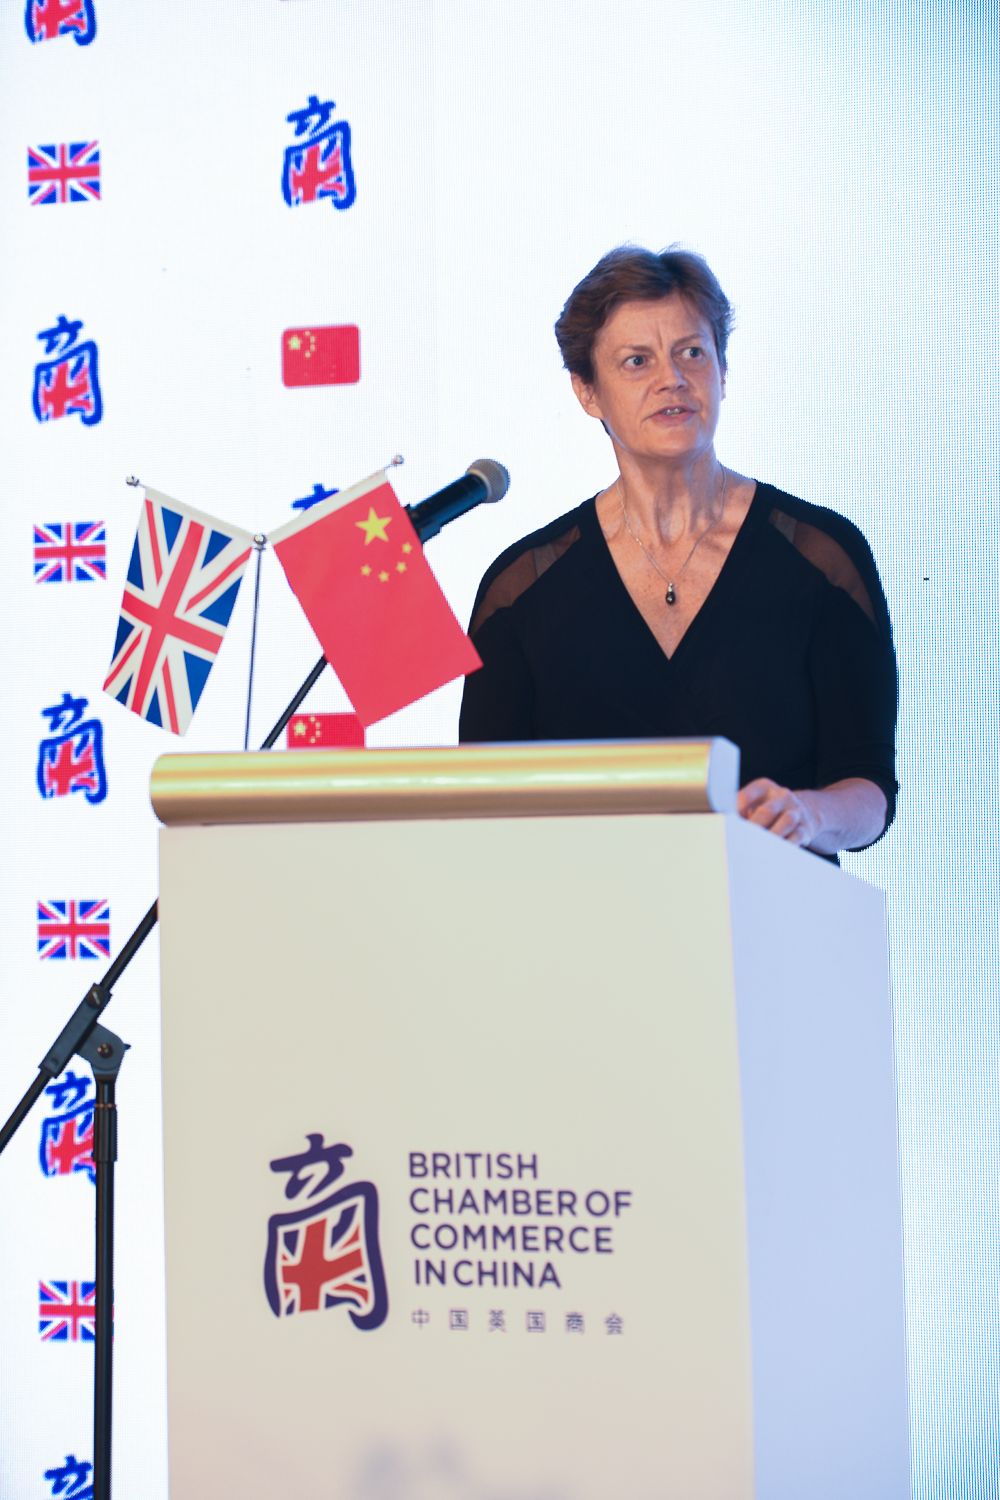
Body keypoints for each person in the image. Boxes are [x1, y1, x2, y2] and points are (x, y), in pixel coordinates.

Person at [458, 246, 897, 857]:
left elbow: (869, 788)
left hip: (775, 907)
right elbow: (482, 807)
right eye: (637, 361)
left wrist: (810, 813)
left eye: (692, 352)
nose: (673, 379)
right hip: (583, 911)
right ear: (587, 391)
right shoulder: (522, 590)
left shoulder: (822, 557)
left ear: (723, 370)